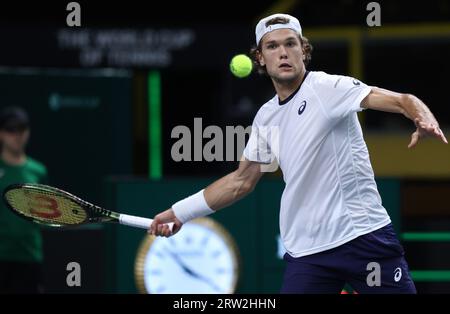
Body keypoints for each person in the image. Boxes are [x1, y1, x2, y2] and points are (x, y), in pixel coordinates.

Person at [149, 14, 448, 293]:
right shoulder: (266, 117)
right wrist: (179, 213)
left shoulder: (328, 88)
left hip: (363, 238)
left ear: (303, 51)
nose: (283, 52)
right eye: (273, 46)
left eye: (290, 44)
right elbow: (241, 181)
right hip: (308, 255)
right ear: (260, 59)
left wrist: (422, 116)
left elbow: (401, 100)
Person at [0, 106, 48, 293]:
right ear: (1, 133)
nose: (17, 135)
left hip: (29, 257)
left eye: (22, 129)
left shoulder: (38, 171)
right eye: (11, 130)